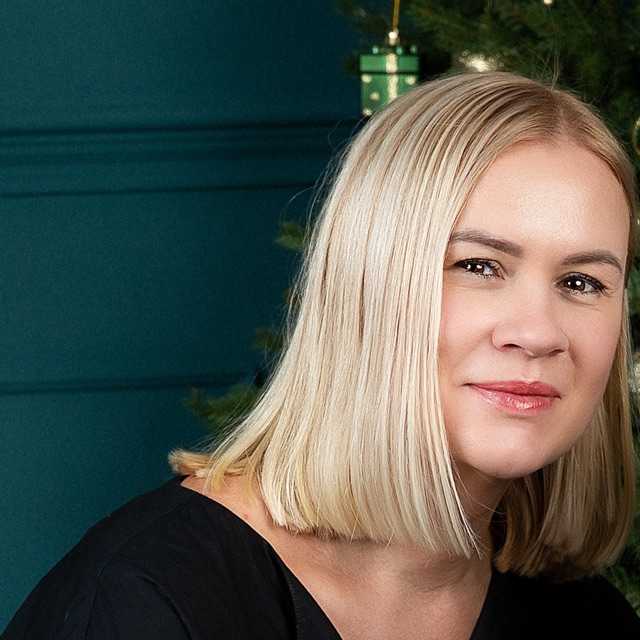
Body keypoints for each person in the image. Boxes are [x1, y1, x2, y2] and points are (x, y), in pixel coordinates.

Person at [4, 69, 640, 639]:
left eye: (581, 282)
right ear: (366, 287)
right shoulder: (147, 602)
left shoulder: (584, 619)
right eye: (478, 265)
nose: (538, 333)